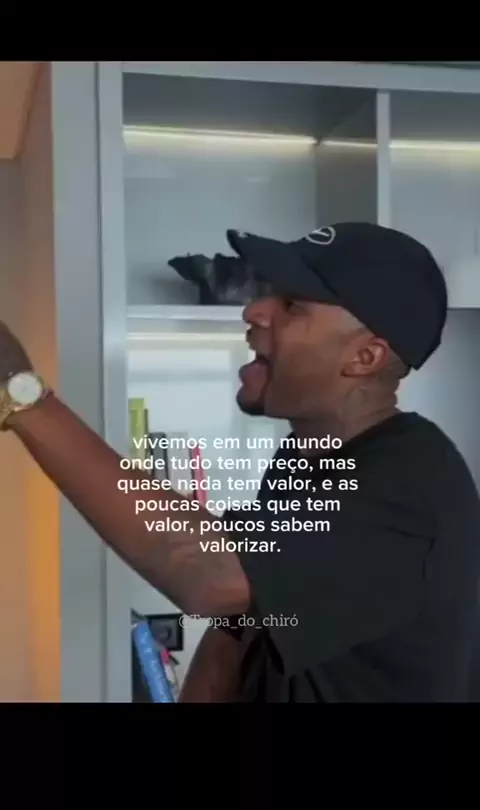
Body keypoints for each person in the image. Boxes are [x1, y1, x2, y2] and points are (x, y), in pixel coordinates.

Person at [1, 222, 479, 703]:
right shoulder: (306, 456)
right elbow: (243, 624)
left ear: (365, 356)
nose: (254, 310)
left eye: (292, 305)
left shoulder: (412, 483)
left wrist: (24, 399)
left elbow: (208, 573)